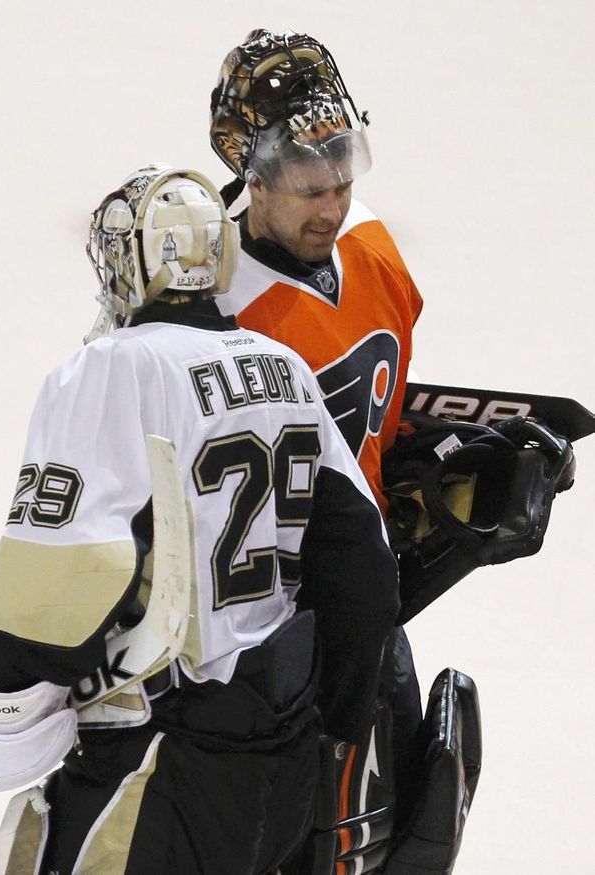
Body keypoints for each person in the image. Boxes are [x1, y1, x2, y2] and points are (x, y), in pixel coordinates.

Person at [0, 165, 399, 875]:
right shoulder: (286, 370)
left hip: (156, 769)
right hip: (283, 774)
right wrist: (328, 738)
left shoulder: (115, 369)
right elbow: (364, 571)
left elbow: (57, 591)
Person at [208, 29, 441, 875]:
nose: (332, 206)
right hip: (250, 664)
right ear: (251, 171)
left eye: (343, 179)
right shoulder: (199, 300)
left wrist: (442, 453)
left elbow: (379, 405)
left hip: (366, 615)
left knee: (405, 838)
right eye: (310, 187)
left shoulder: (374, 252)